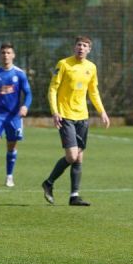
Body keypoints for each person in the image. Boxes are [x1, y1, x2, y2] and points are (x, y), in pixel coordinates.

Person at [42, 36, 110, 206]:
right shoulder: (64, 64)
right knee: (72, 156)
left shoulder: (91, 67)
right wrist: (55, 111)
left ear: (89, 50)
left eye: (85, 45)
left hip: (82, 117)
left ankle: (74, 196)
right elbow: (53, 89)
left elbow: (93, 91)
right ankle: (48, 183)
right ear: (74, 47)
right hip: (66, 115)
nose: (81, 47)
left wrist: (102, 112)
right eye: (79, 44)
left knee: (79, 157)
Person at [0, 42, 32, 188]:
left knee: (11, 146)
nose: (6, 55)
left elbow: (28, 93)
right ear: (0, 55)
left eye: (8, 52)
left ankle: (9, 177)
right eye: (3, 53)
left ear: (13, 55)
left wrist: (25, 106)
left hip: (14, 117)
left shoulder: (19, 74)